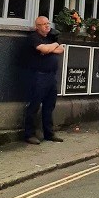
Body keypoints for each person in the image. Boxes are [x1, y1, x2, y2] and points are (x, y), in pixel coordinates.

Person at [24, 16, 65, 144]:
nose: (47, 26)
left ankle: (49, 133)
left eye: (48, 23)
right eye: (43, 24)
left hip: (51, 76)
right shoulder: (33, 37)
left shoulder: (50, 37)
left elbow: (61, 49)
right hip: (38, 76)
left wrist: (50, 48)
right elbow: (44, 49)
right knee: (34, 105)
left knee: (49, 106)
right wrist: (52, 47)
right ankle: (29, 134)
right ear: (37, 26)